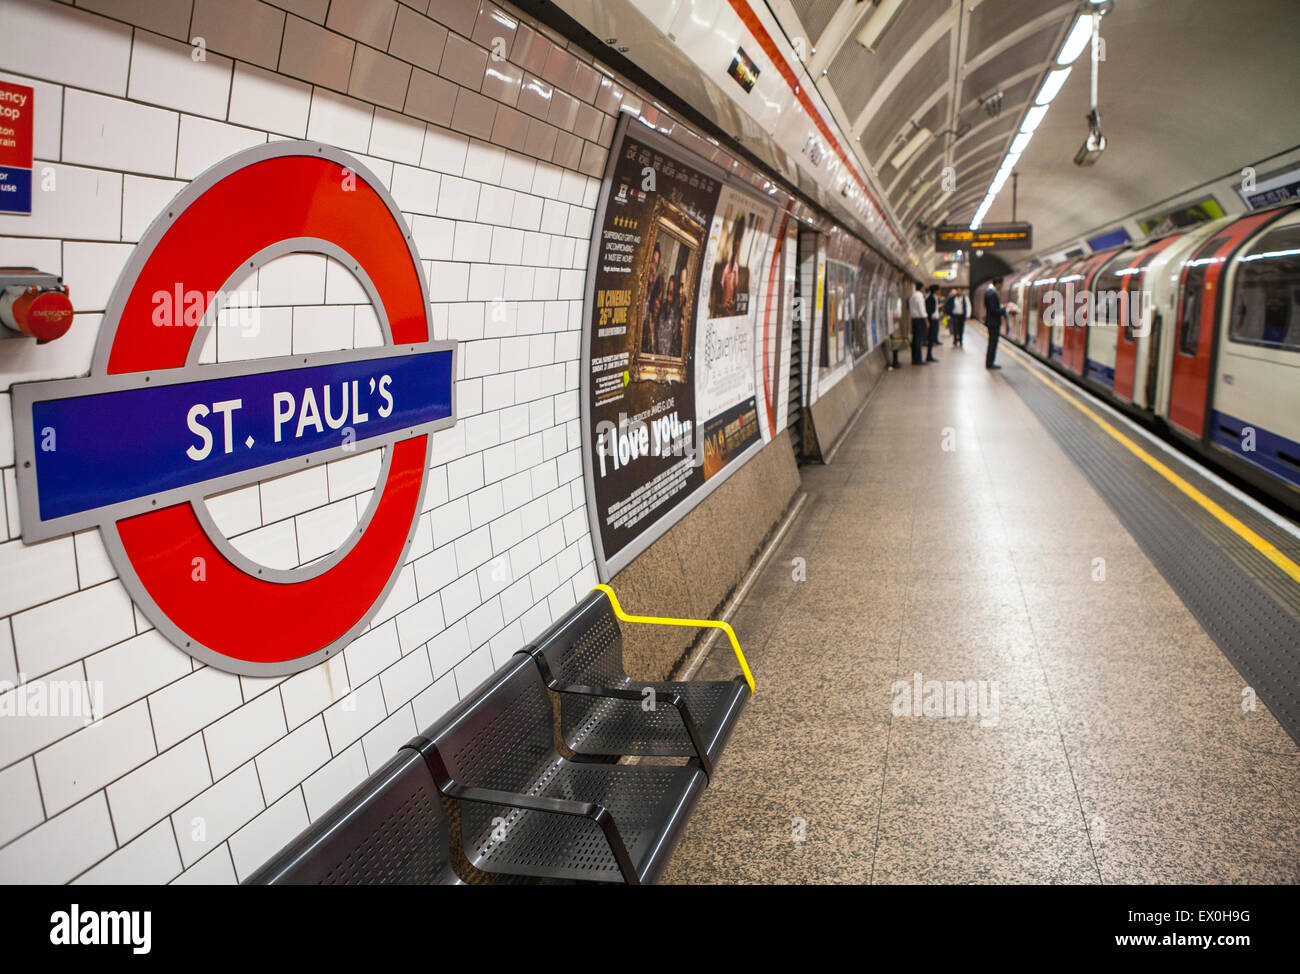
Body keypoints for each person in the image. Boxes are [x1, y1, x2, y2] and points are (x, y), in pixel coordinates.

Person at [983, 277, 1005, 369]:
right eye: (1001, 284)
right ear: (998, 284)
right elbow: (993, 310)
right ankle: (990, 363)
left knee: (992, 343)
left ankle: (990, 362)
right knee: (992, 343)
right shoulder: (992, 294)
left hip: (991, 322)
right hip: (993, 323)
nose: (1002, 286)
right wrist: (1004, 310)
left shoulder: (988, 292)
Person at [907, 281, 928, 365]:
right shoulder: (919, 296)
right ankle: (918, 360)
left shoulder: (912, 296)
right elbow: (921, 309)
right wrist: (926, 320)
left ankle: (914, 358)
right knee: (918, 340)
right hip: (919, 319)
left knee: (915, 339)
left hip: (914, 319)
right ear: (922, 288)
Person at [924, 284, 940, 362]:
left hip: (935, 319)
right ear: (935, 290)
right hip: (932, 320)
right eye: (938, 290)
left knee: (932, 338)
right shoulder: (930, 298)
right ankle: (928, 356)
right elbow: (929, 310)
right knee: (930, 338)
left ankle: (930, 355)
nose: (939, 291)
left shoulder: (934, 297)